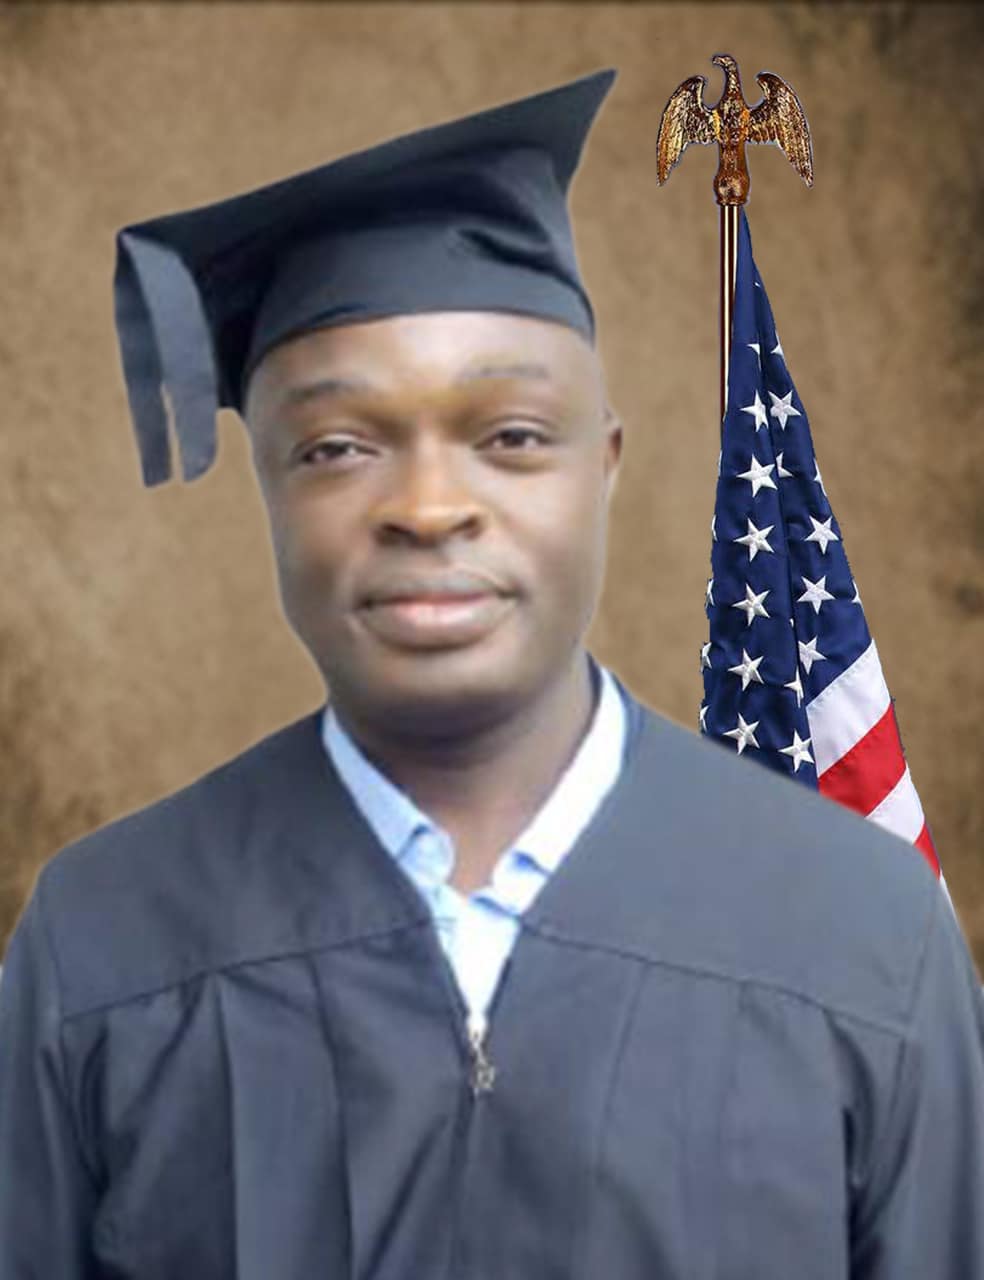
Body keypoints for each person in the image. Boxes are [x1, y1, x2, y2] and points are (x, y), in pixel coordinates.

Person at [1, 69, 982, 1280]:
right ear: (267, 485)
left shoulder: (867, 932)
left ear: (604, 466)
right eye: (337, 447)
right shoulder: (102, 940)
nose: (428, 506)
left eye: (511, 436)